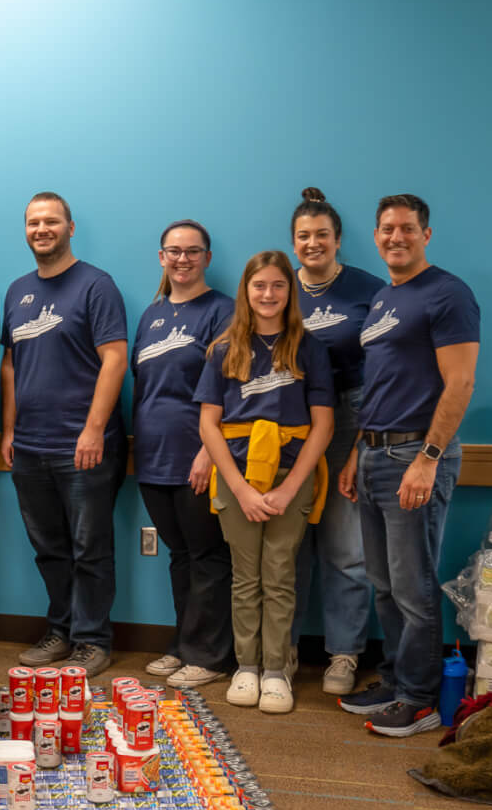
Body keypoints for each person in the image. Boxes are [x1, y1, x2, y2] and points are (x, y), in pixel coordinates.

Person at [338, 194, 478, 736]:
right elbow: (381, 384)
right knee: (383, 583)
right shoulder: (383, 300)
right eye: (387, 229)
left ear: (426, 234)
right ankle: (396, 681)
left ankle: (420, 699)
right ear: (375, 236)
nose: (395, 237)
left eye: (406, 229)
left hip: (414, 456)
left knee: (414, 585)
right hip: (374, 452)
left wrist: (428, 457)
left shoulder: (448, 293)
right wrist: (357, 452)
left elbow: (460, 381)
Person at [197, 250, 334, 714]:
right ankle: (246, 667)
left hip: (288, 480)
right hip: (236, 480)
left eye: (278, 285)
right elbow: (209, 426)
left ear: (289, 292)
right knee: (244, 578)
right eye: (260, 286)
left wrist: (289, 487)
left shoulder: (308, 347)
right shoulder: (222, 349)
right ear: (246, 291)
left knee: (279, 575)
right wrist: (239, 488)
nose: (268, 294)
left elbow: (323, 426)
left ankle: (276, 669)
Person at [0, 192, 129, 678]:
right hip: (30, 446)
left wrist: (94, 430)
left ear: (70, 227)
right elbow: (9, 365)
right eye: (33, 222)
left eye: (51, 221)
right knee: (49, 548)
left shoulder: (96, 285)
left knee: (89, 547)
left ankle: (93, 640)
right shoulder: (17, 291)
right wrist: (9, 428)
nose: (41, 229)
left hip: (84, 445)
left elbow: (114, 358)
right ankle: (62, 628)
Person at [130, 219, 236, 690]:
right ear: (161, 257)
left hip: (197, 454)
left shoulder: (223, 312)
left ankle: (209, 655)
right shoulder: (152, 316)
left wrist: (208, 453)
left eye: (192, 251)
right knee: (180, 555)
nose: (182, 259)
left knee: (208, 555)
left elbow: (229, 390)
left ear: (207, 258)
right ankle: (183, 644)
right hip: (153, 454)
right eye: (173, 251)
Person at [287, 187, 383, 695]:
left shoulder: (368, 288)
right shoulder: (279, 289)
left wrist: (366, 433)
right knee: (291, 544)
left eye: (322, 234)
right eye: (304, 236)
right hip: (289, 421)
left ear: (339, 240)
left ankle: (344, 653)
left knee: (346, 546)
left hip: (351, 416)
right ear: (293, 242)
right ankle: (282, 652)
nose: (313, 243)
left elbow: (388, 364)